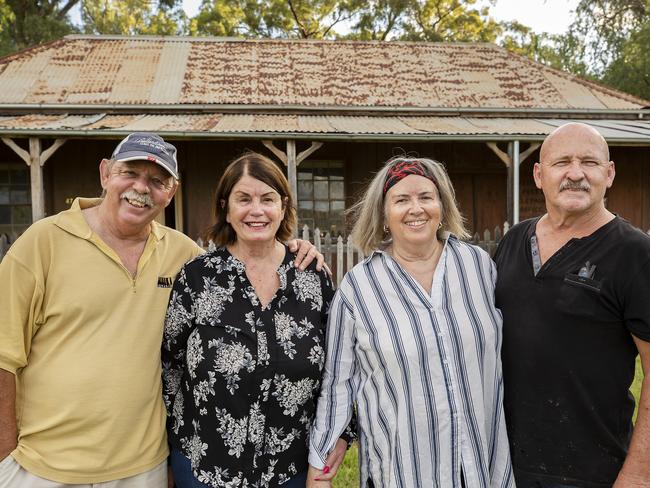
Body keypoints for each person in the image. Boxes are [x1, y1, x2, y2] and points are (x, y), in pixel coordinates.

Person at [0, 134, 322, 487]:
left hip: (143, 467)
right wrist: (5, 457)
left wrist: (294, 248)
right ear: (105, 173)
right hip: (44, 467)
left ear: (171, 192)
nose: (142, 188)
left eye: (157, 180)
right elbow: (4, 356)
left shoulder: (182, 256)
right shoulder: (42, 242)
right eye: (130, 173)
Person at [307, 157, 515, 488]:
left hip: (482, 465)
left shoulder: (479, 268)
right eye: (401, 200)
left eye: (426, 197)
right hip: (403, 470)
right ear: (384, 215)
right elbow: (338, 383)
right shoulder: (360, 288)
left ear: (442, 208)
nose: (415, 208)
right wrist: (320, 464)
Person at [162, 152, 350, 488]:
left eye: (268, 199)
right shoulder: (198, 277)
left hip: (289, 471)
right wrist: (162, 456)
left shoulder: (313, 276)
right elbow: (169, 368)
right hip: (203, 469)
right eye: (244, 199)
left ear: (283, 206)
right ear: (226, 207)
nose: (257, 210)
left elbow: (340, 366)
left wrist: (342, 434)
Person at [494, 122, 650, 488]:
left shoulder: (634, 254)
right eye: (562, 162)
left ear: (609, 174)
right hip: (505, 466)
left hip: (594, 472)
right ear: (538, 174)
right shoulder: (514, 241)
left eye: (590, 163)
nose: (575, 173)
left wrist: (640, 473)